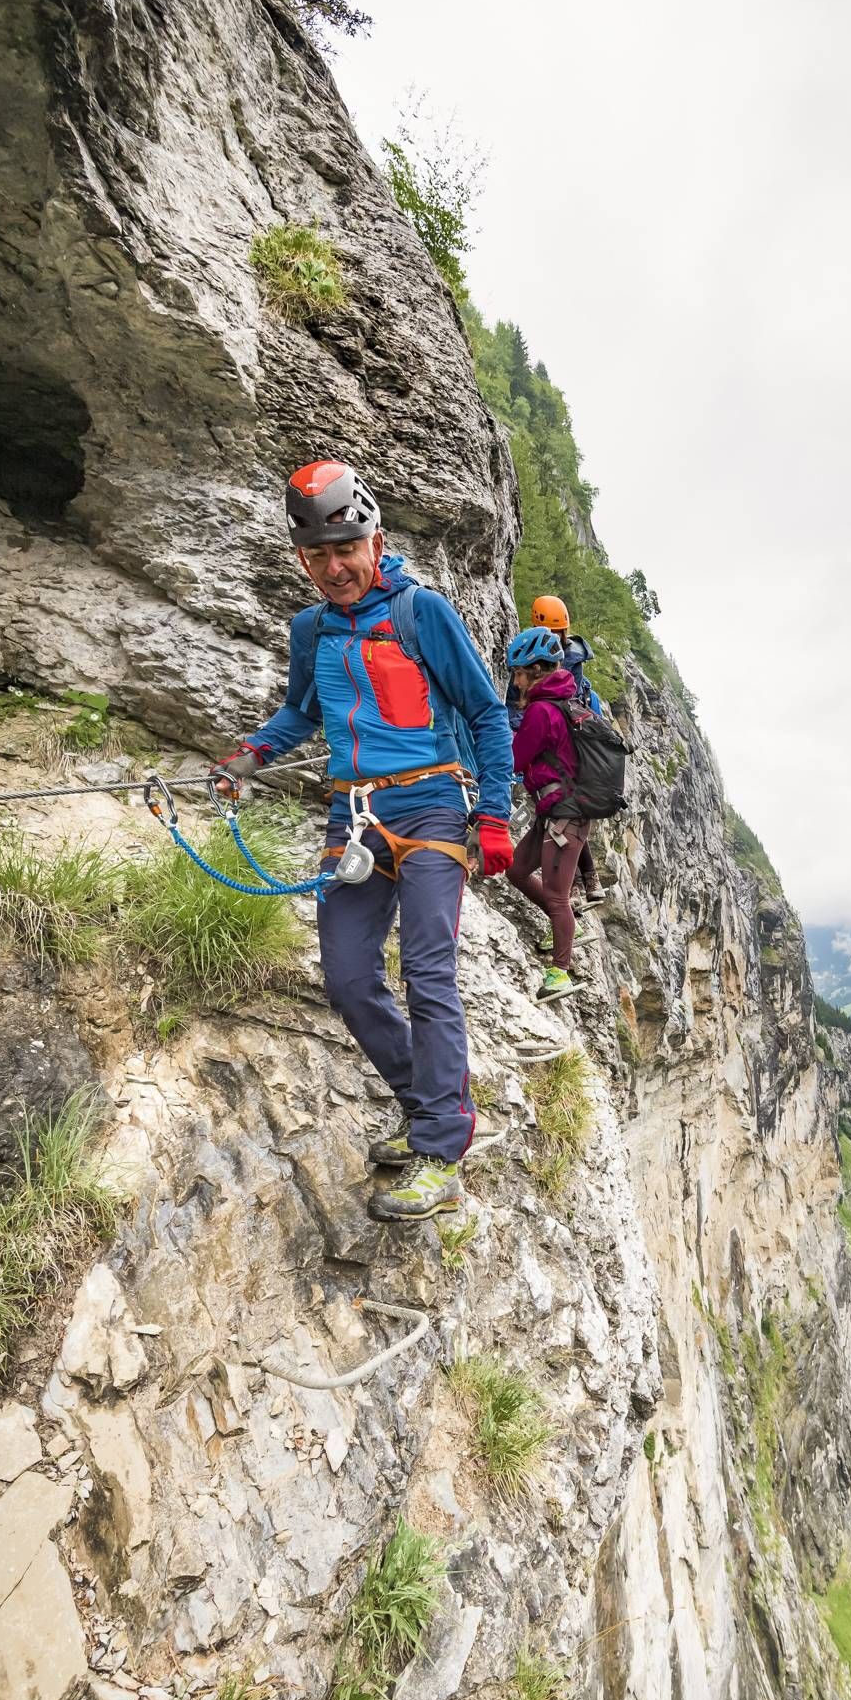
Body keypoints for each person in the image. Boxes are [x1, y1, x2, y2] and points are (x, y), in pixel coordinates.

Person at [214, 460, 514, 1223]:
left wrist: (496, 815)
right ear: (301, 559)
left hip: (432, 807)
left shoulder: (422, 613)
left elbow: (484, 714)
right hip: (352, 815)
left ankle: (442, 1149)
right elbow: (301, 712)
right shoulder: (310, 627)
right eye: (318, 556)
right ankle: (425, 1108)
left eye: (346, 549)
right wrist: (250, 756)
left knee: (428, 970)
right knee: (348, 977)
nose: (335, 568)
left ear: (374, 539)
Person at [504, 627, 591, 1000]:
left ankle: (560, 974)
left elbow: (515, 757)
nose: (515, 679)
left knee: (556, 896)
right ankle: (563, 923)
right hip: (558, 810)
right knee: (517, 869)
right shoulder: (568, 702)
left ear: (537, 670)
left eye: (520, 672)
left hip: (564, 815)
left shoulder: (542, 711)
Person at [527, 596, 606, 907]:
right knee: (571, 815)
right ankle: (590, 879)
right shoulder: (578, 666)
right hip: (580, 753)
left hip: (558, 754)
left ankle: (570, 891)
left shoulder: (543, 661)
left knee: (559, 817)